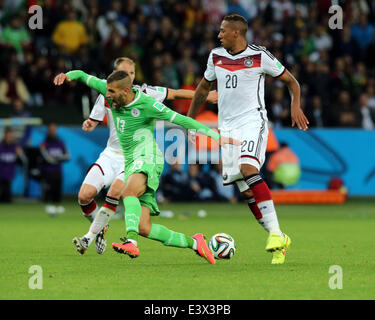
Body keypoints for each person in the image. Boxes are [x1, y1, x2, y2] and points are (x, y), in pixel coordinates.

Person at [54, 69, 240, 264]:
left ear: (126, 92)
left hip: (148, 157)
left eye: (111, 92)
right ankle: (195, 243)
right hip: (131, 160)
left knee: (127, 193)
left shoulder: (147, 104)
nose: (106, 95)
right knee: (145, 227)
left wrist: (218, 137)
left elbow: (183, 119)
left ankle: (131, 242)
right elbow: (83, 76)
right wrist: (68, 75)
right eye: (106, 90)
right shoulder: (108, 90)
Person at [187, 14, 309, 264]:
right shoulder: (215, 56)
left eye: (223, 31)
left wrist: (295, 105)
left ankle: (275, 233)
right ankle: (280, 239)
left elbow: (291, 81)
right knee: (245, 189)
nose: (219, 34)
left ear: (237, 33)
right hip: (228, 129)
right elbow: (202, 89)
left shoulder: (260, 55)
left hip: (253, 121)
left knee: (248, 168)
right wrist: (189, 120)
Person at [39, 122, 70, 215]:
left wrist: (56, 158)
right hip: (47, 172)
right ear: (48, 131)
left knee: (57, 192)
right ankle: (48, 208)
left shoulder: (61, 143)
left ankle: (57, 208)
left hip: (58, 171)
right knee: (48, 192)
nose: (52, 131)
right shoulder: (44, 144)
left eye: (54, 129)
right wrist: (59, 158)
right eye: (51, 129)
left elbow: (67, 156)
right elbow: (48, 159)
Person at [0, 127, 26, 202]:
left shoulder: (15, 147)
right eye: (8, 136)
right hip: (1, 174)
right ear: (5, 136)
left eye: (11, 136)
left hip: (9, 174)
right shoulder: (0, 146)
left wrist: (20, 154)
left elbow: (23, 162)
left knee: (7, 197)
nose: (9, 138)